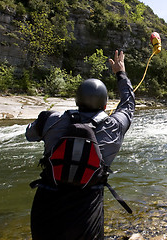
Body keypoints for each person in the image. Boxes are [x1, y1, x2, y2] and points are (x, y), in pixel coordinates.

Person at [25, 50, 135, 240]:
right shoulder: (114, 126)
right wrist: (120, 73)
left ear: (77, 101)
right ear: (104, 106)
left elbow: (30, 134)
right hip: (85, 211)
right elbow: (128, 105)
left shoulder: (51, 119)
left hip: (46, 207)